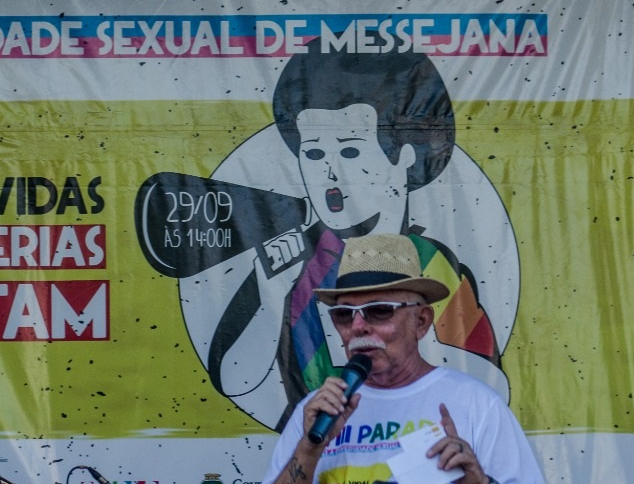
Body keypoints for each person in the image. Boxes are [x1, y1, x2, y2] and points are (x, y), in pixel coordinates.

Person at [199, 42, 507, 431]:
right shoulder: (295, 264)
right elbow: (234, 381)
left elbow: (490, 385)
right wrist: (269, 290)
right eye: (314, 155)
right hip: (323, 450)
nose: (330, 174)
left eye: (349, 153)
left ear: (405, 156)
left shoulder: (427, 262)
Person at [250, 233, 550, 484]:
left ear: (421, 321)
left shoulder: (475, 404)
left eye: (379, 312)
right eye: (344, 315)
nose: (359, 327)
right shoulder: (316, 413)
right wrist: (309, 448)